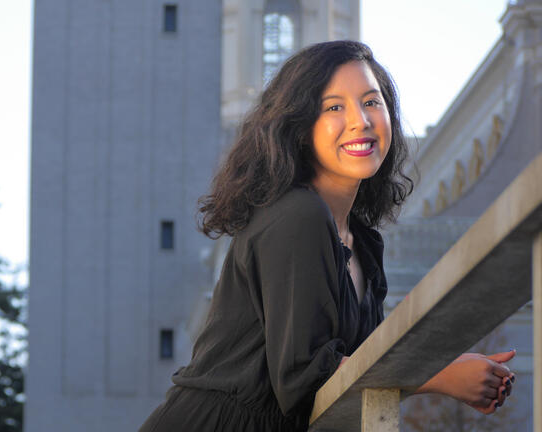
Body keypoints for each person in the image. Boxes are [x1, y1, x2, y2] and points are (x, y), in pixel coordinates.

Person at [139, 40, 516, 432]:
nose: (361, 121)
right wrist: (441, 376)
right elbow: (305, 376)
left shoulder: (363, 243)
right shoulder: (296, 216)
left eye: (372, 102)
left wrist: (452, 364)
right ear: (300, 128)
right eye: (334, 107)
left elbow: (357, 369)